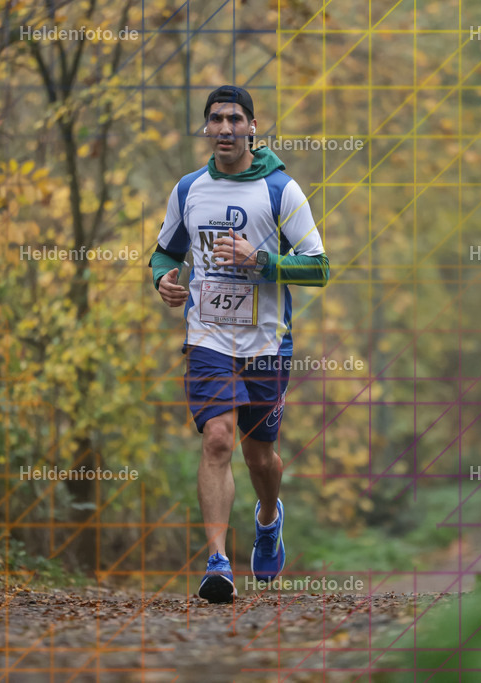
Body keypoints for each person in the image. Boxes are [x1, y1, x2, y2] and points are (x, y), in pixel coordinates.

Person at [149, 85, 330, 603]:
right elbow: (164, 253)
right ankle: (218, 562)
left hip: (267, 342)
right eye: (215, 119)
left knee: (260, 457)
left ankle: (269, 518)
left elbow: (319, 266)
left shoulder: (280, 191)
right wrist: (163, 280)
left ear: (252, 127)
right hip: (207, 337)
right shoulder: (189, 190)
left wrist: (262, 260)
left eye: (234, 119)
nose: (225, 128)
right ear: (206, 129)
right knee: (217, 440)